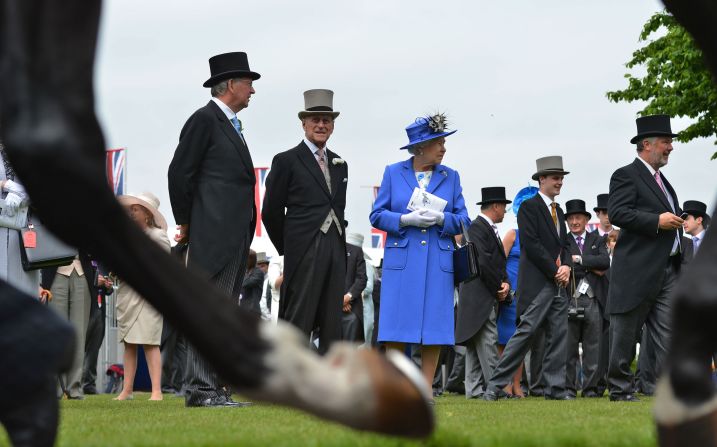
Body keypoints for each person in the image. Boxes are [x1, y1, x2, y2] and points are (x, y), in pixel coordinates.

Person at [168, 51, 259, 407]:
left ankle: (214, 387)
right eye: (249, 83)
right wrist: (188, 222)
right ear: (232, 85)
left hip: (234, 235)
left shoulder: (229, 124)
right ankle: (202, 389)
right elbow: (180, 173)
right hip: (213, 234)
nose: (253, 90)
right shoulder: (205, 120)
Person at [370, 113, 471, 389]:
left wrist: (442, 219)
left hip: (438, 261)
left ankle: (426, 388)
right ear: (420, 147)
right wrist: (404, 220)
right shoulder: (393, 172)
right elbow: (376, 215)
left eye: (443, 142)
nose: (443, 148)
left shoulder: (451, 177)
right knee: (396, 326)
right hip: (402, 260)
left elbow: (464, 219)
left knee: (435, 328)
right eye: (438, 142)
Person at [262, 89, 348, 354]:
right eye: (316, 120)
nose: (321, 125)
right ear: (304, 123)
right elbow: (271, 211)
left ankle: (329, 385)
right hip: (304, 249)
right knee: (299, 315)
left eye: (327, 120)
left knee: (333, 320)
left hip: (335, 246)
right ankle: (290, 381)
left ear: (333, 125)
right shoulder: (287, 160)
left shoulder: (340, 164)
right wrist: (291, 247)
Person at [607, 114, 683, 402]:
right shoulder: (626, 174)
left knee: (672, 333)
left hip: (667, 269)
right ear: (647, 144)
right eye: (666, 142)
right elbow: (618, 213)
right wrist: (657, 221)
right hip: (637, 271)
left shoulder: (663, 180)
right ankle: (620, 388)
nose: (671, 147)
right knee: (625, 333)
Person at [484, 156, 572, 401]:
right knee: (523, 335)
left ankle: (555, 390)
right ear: (541, 179)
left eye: (562, 178)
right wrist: (555, 270)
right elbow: (531, 245)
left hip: (557, 285)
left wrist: (566, 265)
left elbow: (565, 244)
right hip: (537, 285)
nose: (560, 182)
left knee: (558, 337)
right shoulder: (529, 208)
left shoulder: (560, 211)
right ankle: (494, 387)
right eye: (555, 178)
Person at [455, 187, 511, 399]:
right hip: (480, 294)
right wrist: (499, 286)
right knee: (488, 340)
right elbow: (484, 263)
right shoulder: (478, 228)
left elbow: (494, 262)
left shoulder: (481, 228)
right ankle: (496, 388)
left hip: (479, 294)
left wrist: (504, 282)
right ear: (495, 206)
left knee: (475, 342)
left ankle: (474, 390)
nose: (505, 211)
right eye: (504, 207)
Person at [114, 192, 170, 401]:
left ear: (147, 214)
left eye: (135, 209)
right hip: (128, 292)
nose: (131, 212)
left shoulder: (158, 237)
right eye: (130, 209)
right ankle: (126, 390)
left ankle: (156, 390)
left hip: (150, 295)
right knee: (129, 342)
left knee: (149, 341)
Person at [563, 199, 610, 398]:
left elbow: (605, 262)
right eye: (571, 218)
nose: (574, 222)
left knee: (593, 347)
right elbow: (564, 264)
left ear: (586, 219)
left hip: (593, 299)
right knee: (568, 347)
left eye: (578, 218)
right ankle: (568, 389)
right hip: (569, 298)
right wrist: (592, 267)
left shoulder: (597, 240)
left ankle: (590, 389)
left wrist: (581, 260)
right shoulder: (562, 241)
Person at [498, 186, 538, 398]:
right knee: (505, 343)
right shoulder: (512, 234)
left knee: (521, 343)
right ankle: (505, 384)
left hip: (528, 295)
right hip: (509, 296)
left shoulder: (539, 238)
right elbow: (498, 263)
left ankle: (517, 384)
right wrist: (503, 286)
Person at [343, 232, 367, 342]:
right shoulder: (321, 250)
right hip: (326, 312)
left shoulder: (356, 251)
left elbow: (362, 279)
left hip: (350, 311)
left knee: (349, 352)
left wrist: (348, 297)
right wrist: (339, 301)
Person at [240, 250, 264, 315]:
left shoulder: (258, 272)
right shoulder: (245, 271)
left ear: (251, 259)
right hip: (242, 308)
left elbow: (245, 283)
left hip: (252, 310)